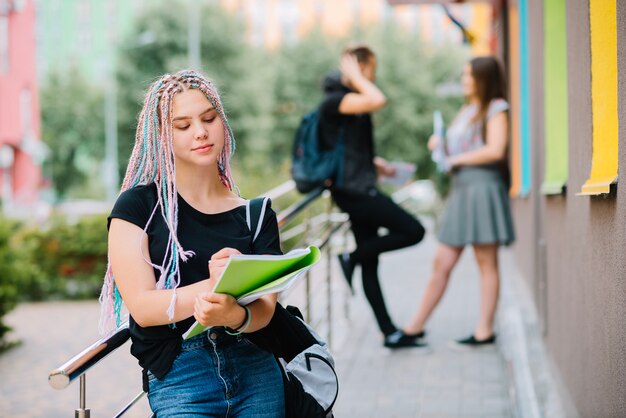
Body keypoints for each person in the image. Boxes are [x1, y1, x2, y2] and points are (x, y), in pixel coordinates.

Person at [98, 70, 285, 417]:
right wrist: (216, 287)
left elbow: (267, 309)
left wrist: (235, 315)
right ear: (161, 137)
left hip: (257, 370)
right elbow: (142, 306)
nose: (200, 132)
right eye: (182, 125)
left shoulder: (255, 214)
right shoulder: (137, 208)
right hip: (182, 375)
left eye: (209, 118)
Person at [402, 56, 515, 349]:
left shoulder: (497, 108)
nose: (465, 81)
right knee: (442, 262)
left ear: (484, 78)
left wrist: (454, 159)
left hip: (483, 188)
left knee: (486, 262)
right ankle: (413, 327)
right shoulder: (467, 110)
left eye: (469, 76)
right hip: (462, 190)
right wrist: (438, 144)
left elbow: (495, 150)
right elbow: (457, 146)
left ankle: (484, 330)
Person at [319, 42, 427, 349]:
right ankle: (349, 256)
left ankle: (389, 332)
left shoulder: (348, 101)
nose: (372, 77)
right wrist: (356, 75)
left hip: (359, 185)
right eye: (370, 70)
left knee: (371, 260)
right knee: (414, 230)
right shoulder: (337, 100)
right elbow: (378, 99)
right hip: (354, 192)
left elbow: (346, 147)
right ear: (359, 67)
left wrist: (377, 165)